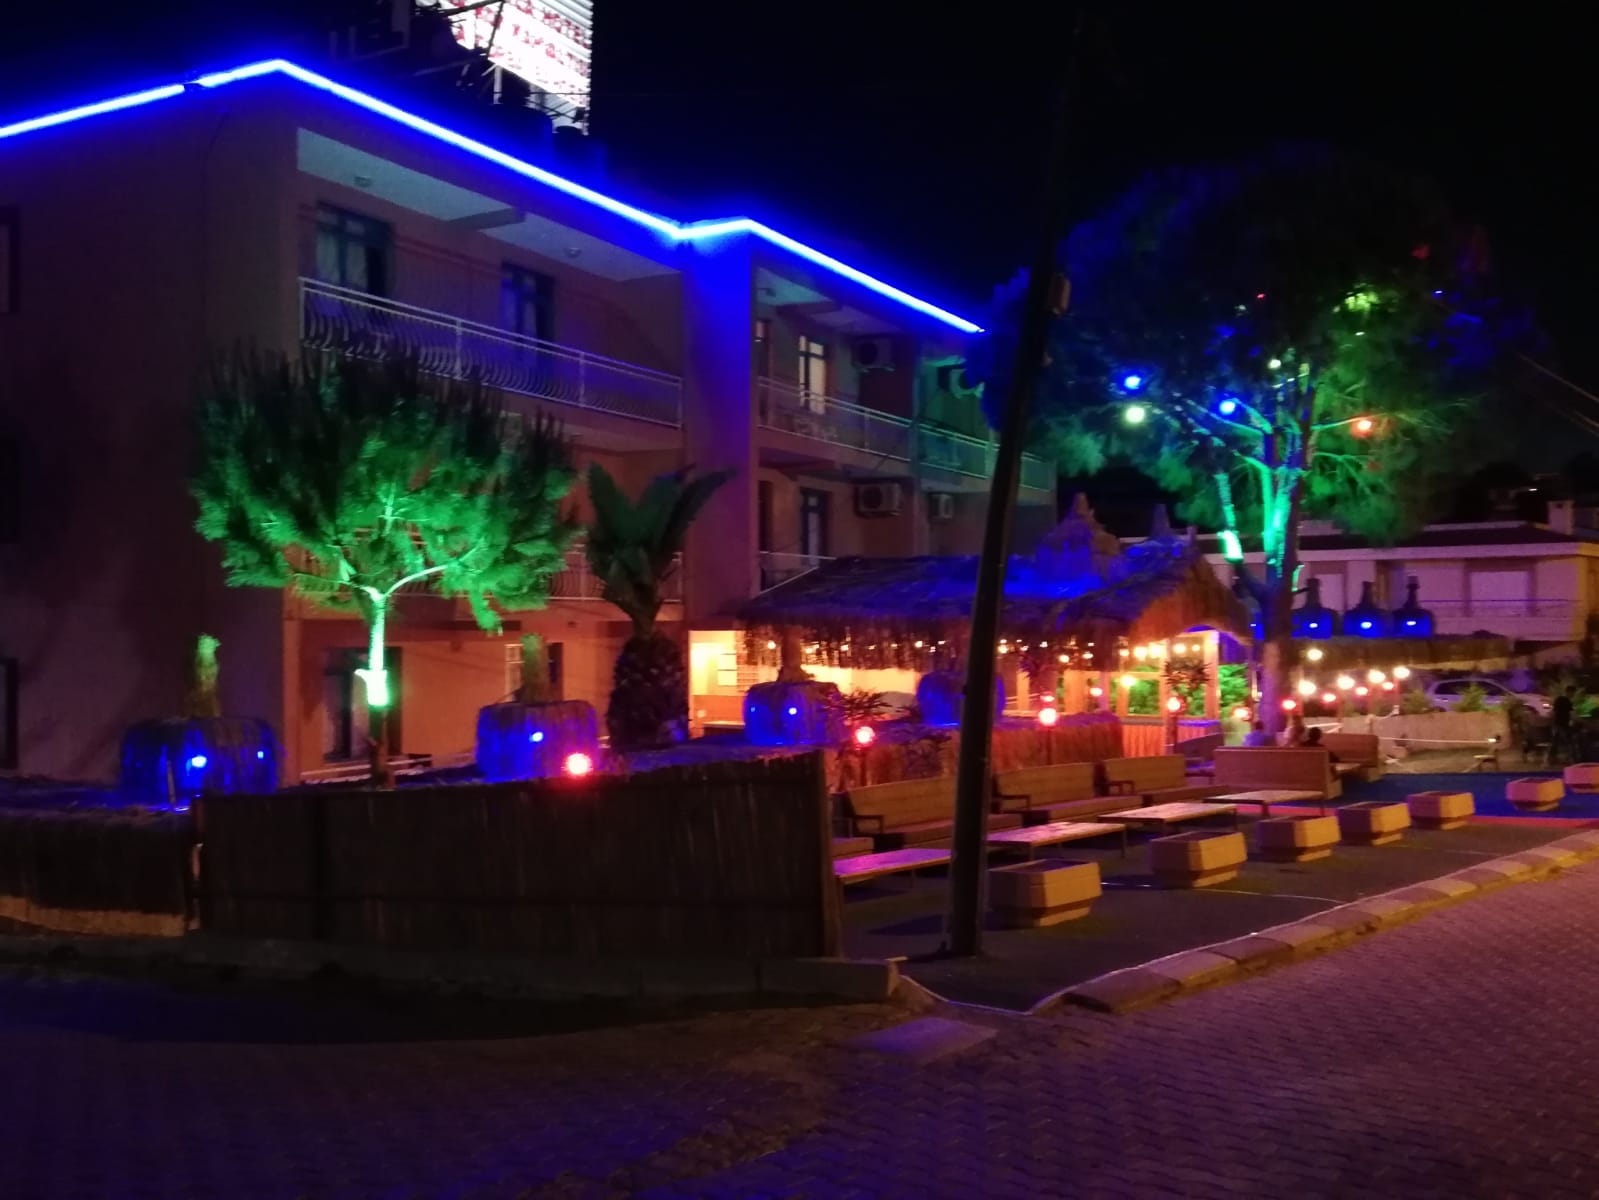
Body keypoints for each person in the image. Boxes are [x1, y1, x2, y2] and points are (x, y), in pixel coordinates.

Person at [1552, 687, 1576, 762]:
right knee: (1569, 741)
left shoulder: (1558, 699)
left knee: (1555, 742)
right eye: (1573, 693)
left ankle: (1551, 758)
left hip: (1557, 723)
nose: (1573, 695)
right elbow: (1571, 713)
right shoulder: (1567, 701)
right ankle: (1572, 758)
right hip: (1563, 724)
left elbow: (1554, 711)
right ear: (1569, 692)